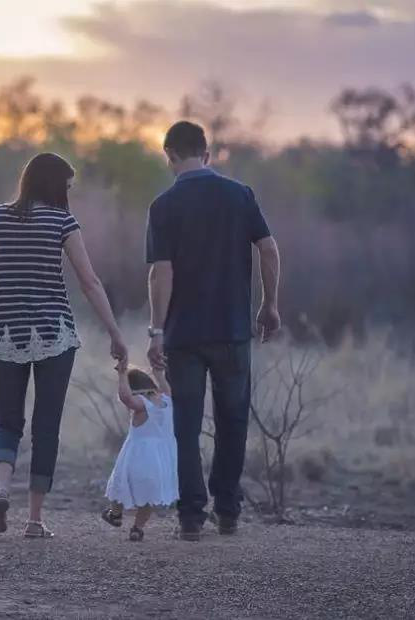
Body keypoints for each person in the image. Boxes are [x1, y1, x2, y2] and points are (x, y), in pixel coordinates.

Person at [0, 152, 128, 539]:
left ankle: (1, 490)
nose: (68, 194)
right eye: (67, 187)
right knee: (46, 425)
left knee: (7, 420)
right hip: (54, 334)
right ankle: (34, 520)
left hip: (4, 332)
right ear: (54, 185)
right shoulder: (62, 222)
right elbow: (90, 282)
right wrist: (115, 333)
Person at [145, 121, 281, 541]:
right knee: (232, 421)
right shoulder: (240, 195)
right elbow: (268, 249)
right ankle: (227, 512)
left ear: (170, 155)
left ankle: (190, 517)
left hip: (184, 335)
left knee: (185, 426)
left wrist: (156, 330)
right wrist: (269, 304)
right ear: (206, 154)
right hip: (232, 330)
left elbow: (161, 273)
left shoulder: (163, 205)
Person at [100, 360, 179, 541]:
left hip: (138, 457)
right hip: (161, 460)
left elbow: (126, 398)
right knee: (148, 496)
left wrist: (122, 375)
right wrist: (158, 373)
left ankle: (115, 514)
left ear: (134, 390)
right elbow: (165, 387)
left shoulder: (142, 405)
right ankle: (137, 528)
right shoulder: (167, 400)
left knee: (120, 484)